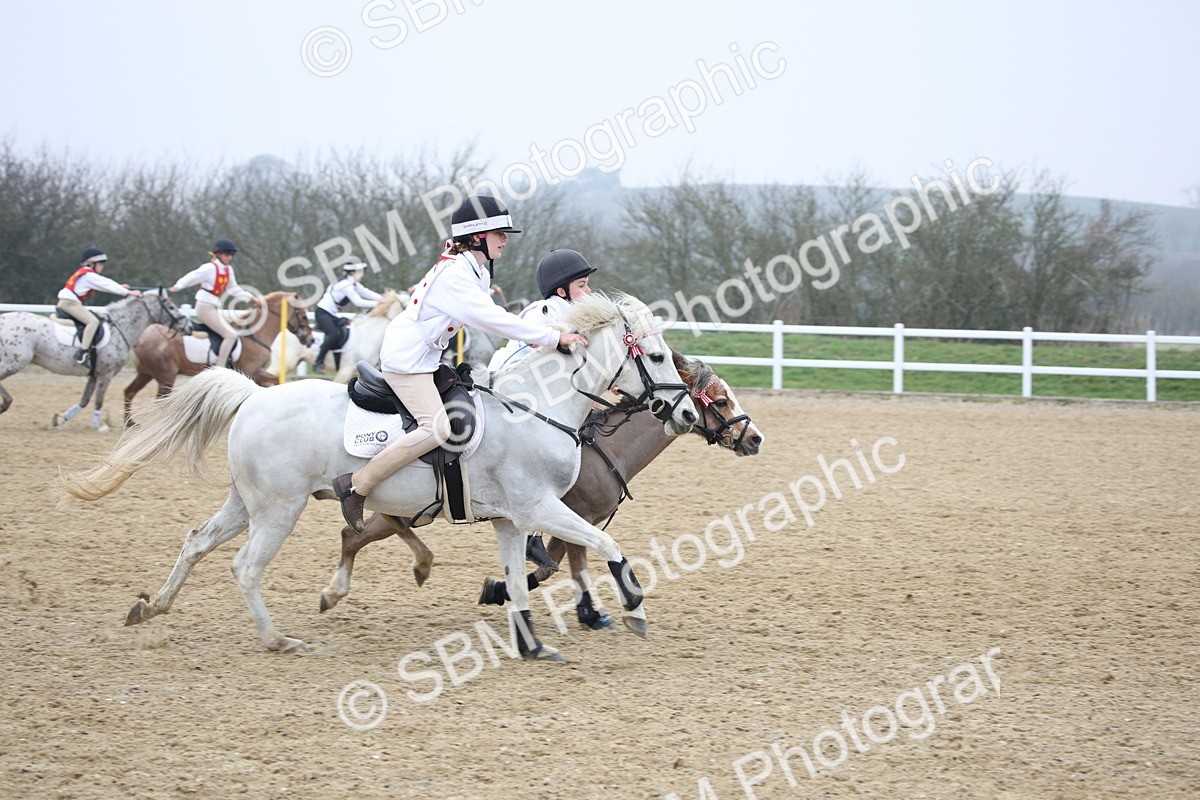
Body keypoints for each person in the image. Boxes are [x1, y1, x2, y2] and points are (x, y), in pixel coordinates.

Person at [332, 195, 589, 532]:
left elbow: (486, 309)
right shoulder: (455, 275)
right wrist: (554, 338)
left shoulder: (473, 272)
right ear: (478, 236)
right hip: (407, 362)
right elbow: (492, 319)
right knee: (436, 428)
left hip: (426, 357)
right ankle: (357, 487)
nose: (505, 240)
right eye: (500, 233)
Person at [488, 248, 597, 372]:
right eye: (582, 285)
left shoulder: (575, 315)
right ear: (561, 292)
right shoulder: (543, 311)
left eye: (587, 284)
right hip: (505, 378)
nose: (589, 290)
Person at [168, 239, 257, 369]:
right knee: (231, 335)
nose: (230, 258)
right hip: (204, 307)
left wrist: (250, 297)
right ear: (218, 254)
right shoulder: (209, 268)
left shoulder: (228, 270)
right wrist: (178, 286)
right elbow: (193, 276)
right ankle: (220, 368)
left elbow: (233, 289)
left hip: (213, 307)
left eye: (231, 255)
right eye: (227, 254)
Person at [56, 246, 143, 365]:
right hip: (69, 303)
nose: (102, 266)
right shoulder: (89, 276)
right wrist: (129, 293)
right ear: (92, 264)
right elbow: (106, 285)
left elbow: (106, 282)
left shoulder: (88, 274)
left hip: (69, 302)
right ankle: (83, 353)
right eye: (100, 263)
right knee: (93, 322)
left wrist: (120, 287)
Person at [313, 261, 382, 373]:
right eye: (361, 272)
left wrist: (384, 299)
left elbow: (367, 293)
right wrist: (379, 304)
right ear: (353, 273)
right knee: (333, 334)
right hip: (323, 313)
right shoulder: (346, 285)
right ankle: (318, 362)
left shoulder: (353, 283)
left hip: (330, 314)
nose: (363, 275)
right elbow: (358, 302)